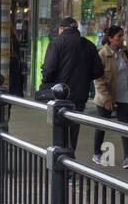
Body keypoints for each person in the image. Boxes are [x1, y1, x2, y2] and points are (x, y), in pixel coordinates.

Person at [40, 16, 104, 152]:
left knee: (59, 128)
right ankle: (70, 156)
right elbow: (98, 71)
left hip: (59, 95)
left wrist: (46, 82)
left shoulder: (56, 43)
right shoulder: (89, 45)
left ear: (61, 29)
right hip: (80, 95)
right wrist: (84, 77)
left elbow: (49, 70)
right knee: (74, 129)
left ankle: (61, 161)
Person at [92, 25, 128, 168]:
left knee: (126, 126)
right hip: (107, 97)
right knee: (102, 125)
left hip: (124, 94)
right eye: (119, 36)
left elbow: (125, 72)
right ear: (110, 38)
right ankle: (96, 153)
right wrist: (106, 99)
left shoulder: (123, 52)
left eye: (123, 36)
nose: (122, 39)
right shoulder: (102, 55)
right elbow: (98, 79)